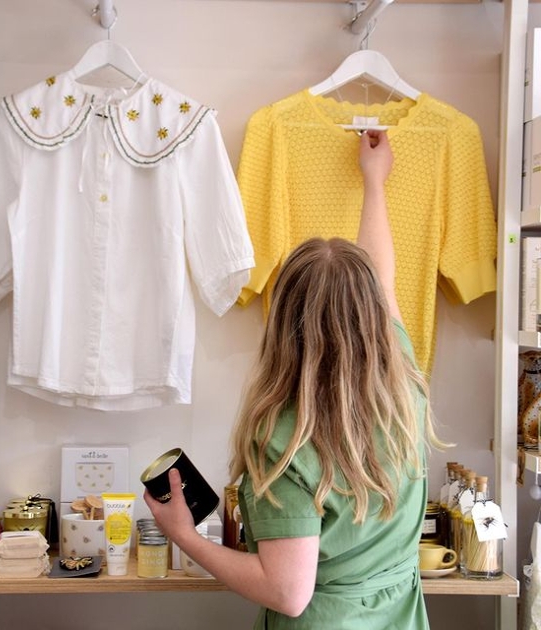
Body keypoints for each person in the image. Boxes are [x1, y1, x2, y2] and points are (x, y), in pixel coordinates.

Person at [144, 130, 442, 629]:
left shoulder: (286, 440)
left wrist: (185, 536)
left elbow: (288, 593)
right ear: (370, 316)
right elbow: (383, 280)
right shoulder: (402, 382)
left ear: (284, 322)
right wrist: (374, 184)